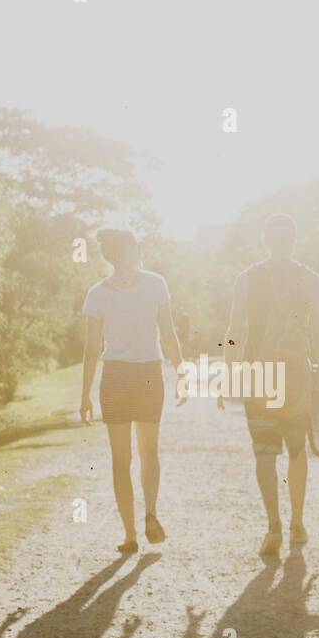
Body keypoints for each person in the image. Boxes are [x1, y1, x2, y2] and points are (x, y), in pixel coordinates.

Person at [223, 214, 319, 558]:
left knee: (265, 454)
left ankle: (273, 526)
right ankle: (297, 522)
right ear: (294, 240)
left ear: (265, 240)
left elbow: (235, 330)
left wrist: (228, 375)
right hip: (296, 373)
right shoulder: (309, 278)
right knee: (297, 451)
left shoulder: (247, 279)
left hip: (260, 375)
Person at [79, 229, 185, 552]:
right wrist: (181, 371)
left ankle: (129, 535)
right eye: (136, 245)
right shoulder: (156, 284)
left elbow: (92, 348)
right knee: (148, 452)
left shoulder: (97, 294)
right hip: (149, 373)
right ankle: (150, 513)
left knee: (120, 460)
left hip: (115, 377)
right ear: (127, 250)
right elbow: (168, 333)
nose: (140, 250)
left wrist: (85, 394)